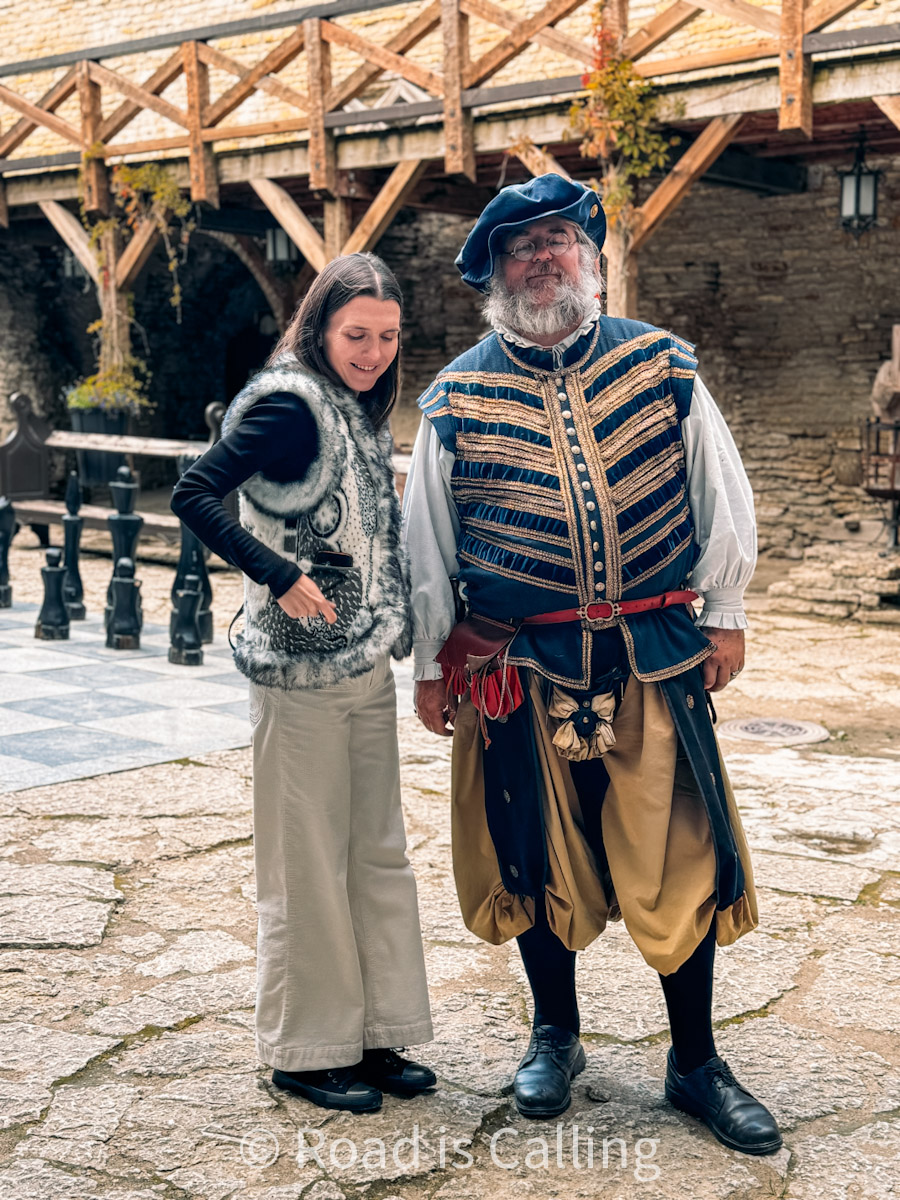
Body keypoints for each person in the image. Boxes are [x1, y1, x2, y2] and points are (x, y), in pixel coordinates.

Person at [402, 175, 782, 1155]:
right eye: (518, 247)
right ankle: (554, 1036)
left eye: (560, 239)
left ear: (590, 256)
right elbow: (426, 539)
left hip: (652, 658)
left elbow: (718, 482)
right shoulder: (455, 397)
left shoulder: (662, 366)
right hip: (515, 672)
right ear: (491, 275)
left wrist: (728, 609)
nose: (542, 257)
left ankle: (694, 1059)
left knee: (681, 853)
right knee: (531, 856)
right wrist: (432, 661)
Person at [172, 252, 434, 1113]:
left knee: (375, 854)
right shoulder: (287, 404)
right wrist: (275, 573)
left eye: (388, 337)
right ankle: (305, 1048)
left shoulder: (354, 407)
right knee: (307, 862)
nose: (373, 352)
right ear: (319, 327)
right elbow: (196, 491)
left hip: (361, 663)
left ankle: (375, 1032)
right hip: (295, 668)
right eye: (356, 335)